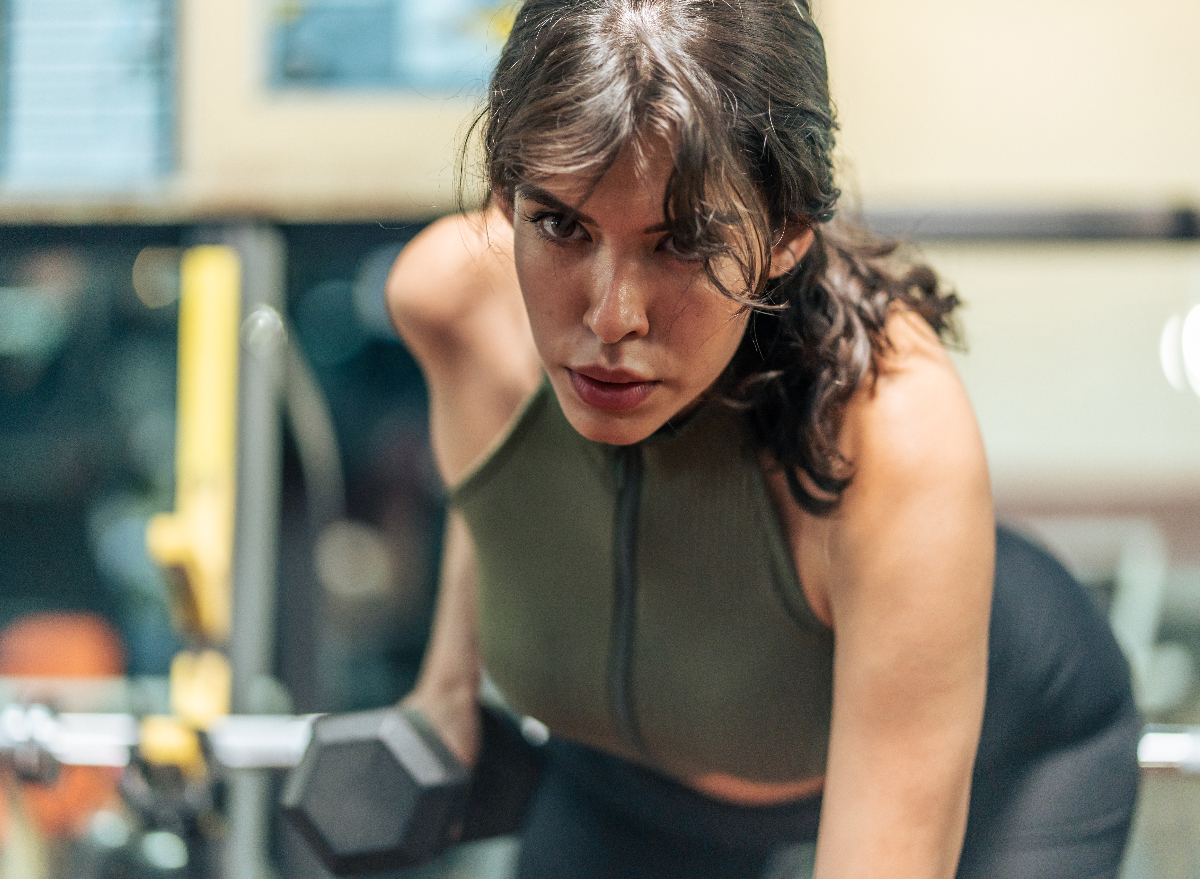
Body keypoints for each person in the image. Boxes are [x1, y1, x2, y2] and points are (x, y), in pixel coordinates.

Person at [385, 1, 1140, 877]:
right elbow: (507, 505)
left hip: (1008, 758)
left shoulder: (891, 422)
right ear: (503, 197)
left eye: (685, 242)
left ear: (785, 234)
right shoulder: (450, 304)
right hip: (631, 784)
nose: (609, 316)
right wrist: (446, 685)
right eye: (560, 225)